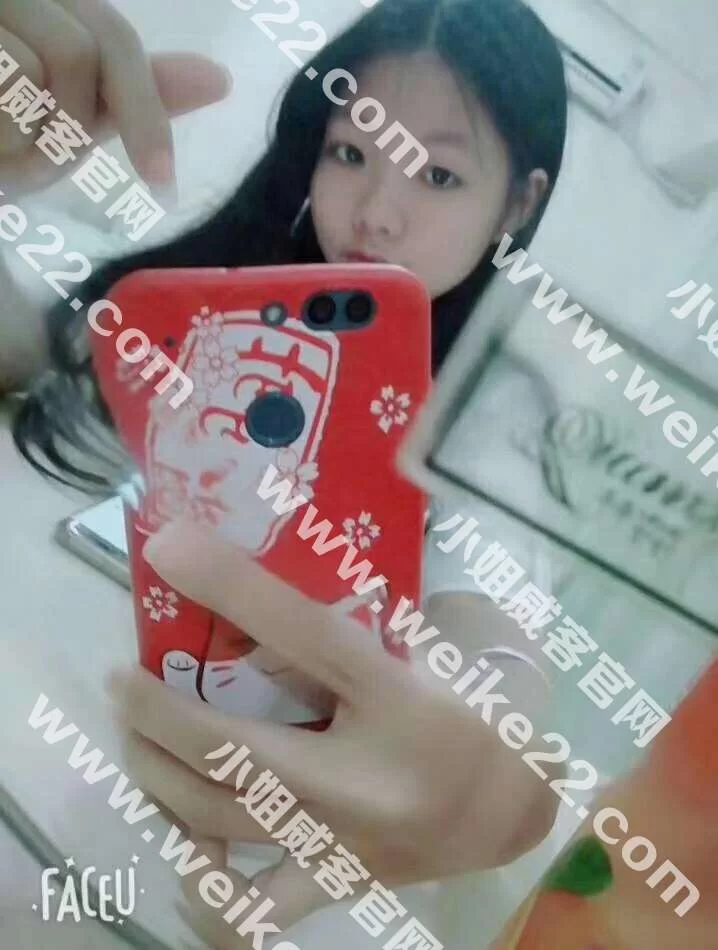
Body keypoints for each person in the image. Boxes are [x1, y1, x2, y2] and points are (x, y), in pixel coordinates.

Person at [7, 0, 569, 946]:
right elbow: (36, 348)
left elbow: (492, 609)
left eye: (438, 173)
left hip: (199, 871)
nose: (377, 211)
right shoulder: (204, 293)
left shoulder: (494, 415)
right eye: (351, 153)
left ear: (517, 204)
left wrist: (498, 752)